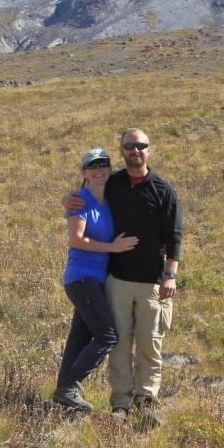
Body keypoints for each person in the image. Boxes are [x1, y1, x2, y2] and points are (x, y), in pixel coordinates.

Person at [64, 128, 183, 417]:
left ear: (149, 150)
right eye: (129, 146)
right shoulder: (113, 183)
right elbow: (85, 194)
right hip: (116, 280)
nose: (135, 150)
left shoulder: (163, 190)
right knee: (117, 345)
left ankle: (146, 400)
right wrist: (68, 199)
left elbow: (175, 236)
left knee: (150, 344)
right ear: (122, 151)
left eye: (141, 145)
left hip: (151, 282)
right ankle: (120, 403)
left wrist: (170, 275)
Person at [53, 147, 139, 411]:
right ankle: (70, 386)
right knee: (107, 335)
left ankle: (63, 392)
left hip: (96, 281)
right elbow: (76, 240)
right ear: (84, 172)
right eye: (93, 166)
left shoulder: (110, 198)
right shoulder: (80, 200)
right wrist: (112, 248)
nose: (99, 169)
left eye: (104, 164)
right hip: (81, 279)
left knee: (79, 338)